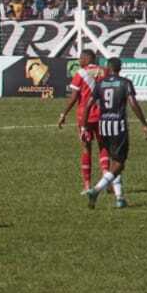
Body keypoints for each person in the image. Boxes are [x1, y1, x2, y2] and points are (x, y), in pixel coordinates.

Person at [81, 58, 147, 209]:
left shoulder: (100, 84)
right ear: (120, 68)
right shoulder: (125, 83)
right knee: (119, 164)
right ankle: (96, 190)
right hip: (118, 127)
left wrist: (84, 126)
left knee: (114, 161)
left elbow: (88, 105)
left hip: (103, 126)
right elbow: (132, 103)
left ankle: (120, 198)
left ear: (108, 68)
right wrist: (144, 123)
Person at [55, 48, 107, 190]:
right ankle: (106, 179)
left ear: (86, 59)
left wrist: (63, 114)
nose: (79, 61)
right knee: (103, 146)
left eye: (80, 58)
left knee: (86, 149)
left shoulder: (80, 73)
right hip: (101, 115)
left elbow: (74, 97)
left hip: (84, 116)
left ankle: (87, 184)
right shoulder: (104, 71)